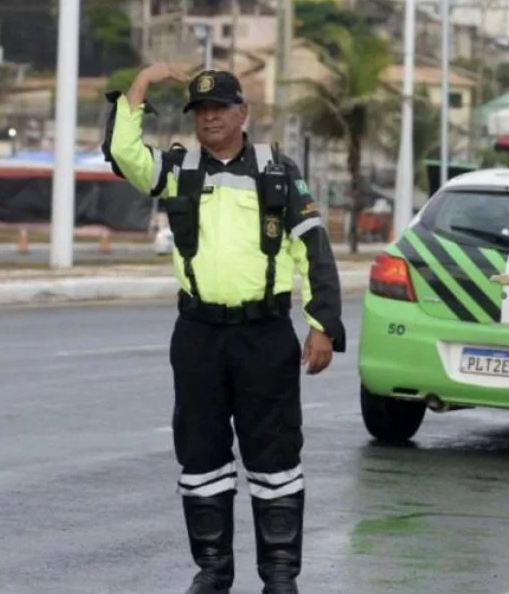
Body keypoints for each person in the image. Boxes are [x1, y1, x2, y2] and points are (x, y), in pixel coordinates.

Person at [102, 63, 346, 594]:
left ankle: (280, 574)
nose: (210, 118)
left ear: (243, 113)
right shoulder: (175, 169)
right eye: (201, 111)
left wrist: (322, 325)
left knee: (275, 455)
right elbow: (124, 153)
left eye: (220, 108)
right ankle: (213, 571)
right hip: (198, 336)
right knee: (201, 454)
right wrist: (142, 82)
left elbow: (315, 252)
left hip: (264, 336)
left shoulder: (277, 171)